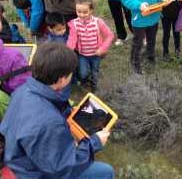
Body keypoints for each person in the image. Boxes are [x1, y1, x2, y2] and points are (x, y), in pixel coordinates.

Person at [0, 42, 114, 179]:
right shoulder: (50, 122)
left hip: (18, 157)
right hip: (32, 172)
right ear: (62, 79)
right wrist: (95, 143)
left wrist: (66, 112)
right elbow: (61, 169)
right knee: (105, 171)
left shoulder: (22, 90)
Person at [121, 0, 167, 74]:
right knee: (138, 41)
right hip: (140, 19)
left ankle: (150, 56)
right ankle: (135, 61)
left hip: (154, 16)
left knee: (152, 38)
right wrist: (139, 5)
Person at [67, 0, 114, 92]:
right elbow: (72, 39)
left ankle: (94, 85)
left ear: (91, 10)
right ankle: (85, 81)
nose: (81, 15)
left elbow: (110, 35)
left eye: (85, 12)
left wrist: (102, 49)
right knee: (83, 73)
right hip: (82, 55)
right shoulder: (74, 24)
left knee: (95, 71)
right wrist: (68, 51)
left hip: (96, 54)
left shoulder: (98, 22)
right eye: (78, 12)